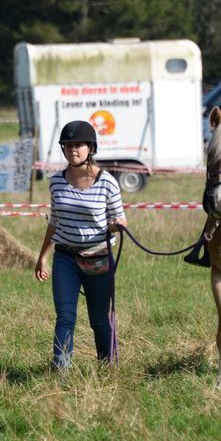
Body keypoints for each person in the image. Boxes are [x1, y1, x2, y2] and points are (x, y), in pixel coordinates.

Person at [34, 120, 127, 369]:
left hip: (98, 258)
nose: (73, 149)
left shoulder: (107, 182)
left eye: (78, 145)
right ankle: (60, 369)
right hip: (65, 258)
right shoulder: (56, 182)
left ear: (90, 148)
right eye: (68, 145)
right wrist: (43, 255)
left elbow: (121, 218)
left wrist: (116, 225)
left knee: (99, 319)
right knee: (65, 317)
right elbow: (54, 221)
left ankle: (108, 366)